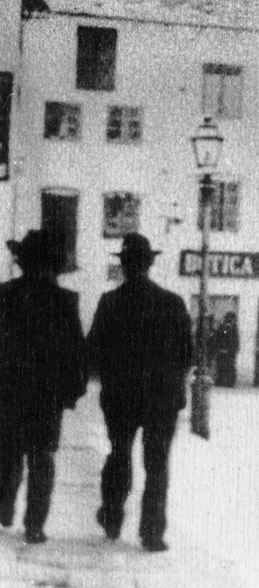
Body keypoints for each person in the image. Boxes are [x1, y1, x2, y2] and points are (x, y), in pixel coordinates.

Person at [86, 234, 193, 553]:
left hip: (121, 396)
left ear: (123, 265)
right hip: (162, 398)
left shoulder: (110, 302)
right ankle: (152, 533)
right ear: (149, 264)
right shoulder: (172, 303)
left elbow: (93, 351)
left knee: (119, 454)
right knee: (157, 465)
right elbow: (188, 354)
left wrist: (110, 372)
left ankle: (112, 517)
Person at [0, 230, 87, 544]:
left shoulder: (4, 294)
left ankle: (5, 505)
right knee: (42, 460)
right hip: (46, 397)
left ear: (21, 262)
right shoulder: (64, 300)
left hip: (8, 393)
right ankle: (34, 524)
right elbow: (77, 351)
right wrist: (72, 392)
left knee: (8, 455)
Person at [213, 312, 240, 388]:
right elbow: (221, 337)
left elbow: (236, 339)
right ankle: (222, 381)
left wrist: (234, 349)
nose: (231, 321)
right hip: (223, 351)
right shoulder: (223, 327)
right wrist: (221, 348)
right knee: (222, 367)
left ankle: (229, 382)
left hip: (230, 352)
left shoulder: (234, 327)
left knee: (230, 367)